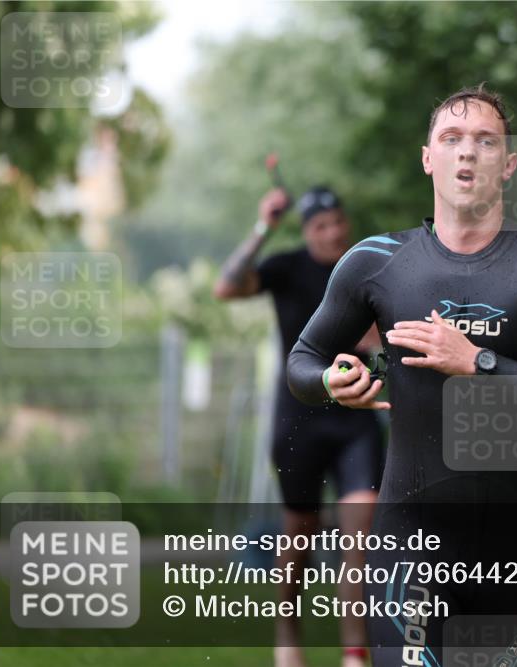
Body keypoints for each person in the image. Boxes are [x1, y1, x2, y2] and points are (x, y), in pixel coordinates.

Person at [286, 84, 517, 666]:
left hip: (510, 556)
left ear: (509, 165)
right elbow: (302, 361)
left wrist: (479, 364)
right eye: (452, 139)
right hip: (408, 545)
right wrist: (332, 381)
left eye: (486, 141)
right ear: (427, 158)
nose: (467, 152)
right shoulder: (377, 262)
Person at [214, 185, 384, 667]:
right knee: (299, 539)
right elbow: (226, 287)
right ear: (306, 231)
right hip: (298, 423)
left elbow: (384, 332)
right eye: (320, 226)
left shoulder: (365, 269)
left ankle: (355, 653)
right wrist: (263, 226)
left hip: (356, 420)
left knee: (361, 538)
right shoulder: (286, 268)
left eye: (338, 222)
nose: (332, 232)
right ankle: (287, 631)